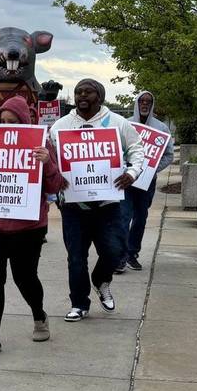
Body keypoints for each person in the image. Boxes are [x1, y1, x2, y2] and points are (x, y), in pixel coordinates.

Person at [0, 96, 66, 358]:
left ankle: (39, 316)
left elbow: (56, 187)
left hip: (28, 227)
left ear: (25, 122)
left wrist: (47, 164)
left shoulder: (42, 145)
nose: (7, 126)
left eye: (13, 121)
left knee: (25, 277)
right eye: (2, 121)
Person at [50, 79, 145, 321]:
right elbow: (51, 159)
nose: (82, 95)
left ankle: (101, 280)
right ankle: (79, 304)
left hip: (108, 204)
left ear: (99, 96)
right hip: (73, 205)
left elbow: (137, 151)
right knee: (76, 257)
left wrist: (131, 173)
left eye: (88, 92)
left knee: (115, 251)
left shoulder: (117, 123)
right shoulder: (61, 125)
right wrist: (55, 176)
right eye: (79, 92)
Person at [117, 91, 174, 272]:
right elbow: (117, 149)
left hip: (146, 182)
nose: (144, 104)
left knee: (140, 218)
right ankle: (120, 257)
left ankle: (132, 254)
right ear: (136, 102)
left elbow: (168, 155)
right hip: (126, 180)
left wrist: (152, 169)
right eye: (141, 101)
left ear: (152, 104)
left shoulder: (161, 128)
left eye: (148, 101)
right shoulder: (125, 124)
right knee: (124, 216)